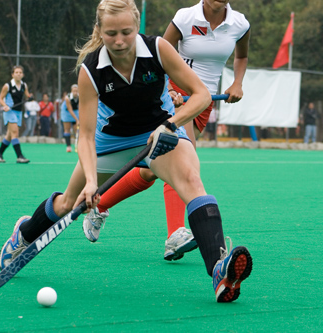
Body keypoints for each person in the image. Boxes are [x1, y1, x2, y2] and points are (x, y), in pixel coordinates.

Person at [0, 0, 252, 303]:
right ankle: (23, 235)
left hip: (161, 130)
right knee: (68, 202)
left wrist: (171, 125)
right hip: (110, 140)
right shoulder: (91, 70)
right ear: (100, 31)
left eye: (126, 33)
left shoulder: (158, 49)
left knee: (193, 183)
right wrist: (92, 182)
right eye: (111, 33)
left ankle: (220, 271)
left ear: (137, 27)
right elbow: (87, 136)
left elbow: (200, 95)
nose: (119, 41)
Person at [84, 0, 250, 262]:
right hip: (175, 98)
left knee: (150, 171)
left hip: (202, 99)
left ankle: (101, 204)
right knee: (183, 162)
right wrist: (169, 90)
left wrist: (237, 83)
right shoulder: (186, 17)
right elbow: (159, 55)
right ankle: (175, 234)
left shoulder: (239, 23)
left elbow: (241, 56)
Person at [0, 65, 31, 164]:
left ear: (23, 75)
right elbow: (0, 98)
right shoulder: (7, 86)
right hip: (9, 111)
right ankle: (19, 156)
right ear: (12, 74)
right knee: (15, 133)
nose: (18, 74)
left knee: (9, 135)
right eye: (16, 72)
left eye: (20, 72)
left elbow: (27, 95)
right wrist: (4, 106)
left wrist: (30, 97)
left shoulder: (24, 85)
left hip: (18, 112)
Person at [61, 84, 80, 152]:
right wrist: (77, 119)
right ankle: (68, 146)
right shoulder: (67, 98)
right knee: (67, 129)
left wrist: (79, 118)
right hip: (66, 112)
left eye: (76, 91)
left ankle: (79, 146)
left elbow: (80, 107)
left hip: (75, 111)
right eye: (74, 91)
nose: (75, 92)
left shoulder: (79, 96)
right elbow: (70, 109)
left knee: (76, 130)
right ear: (71, 91)